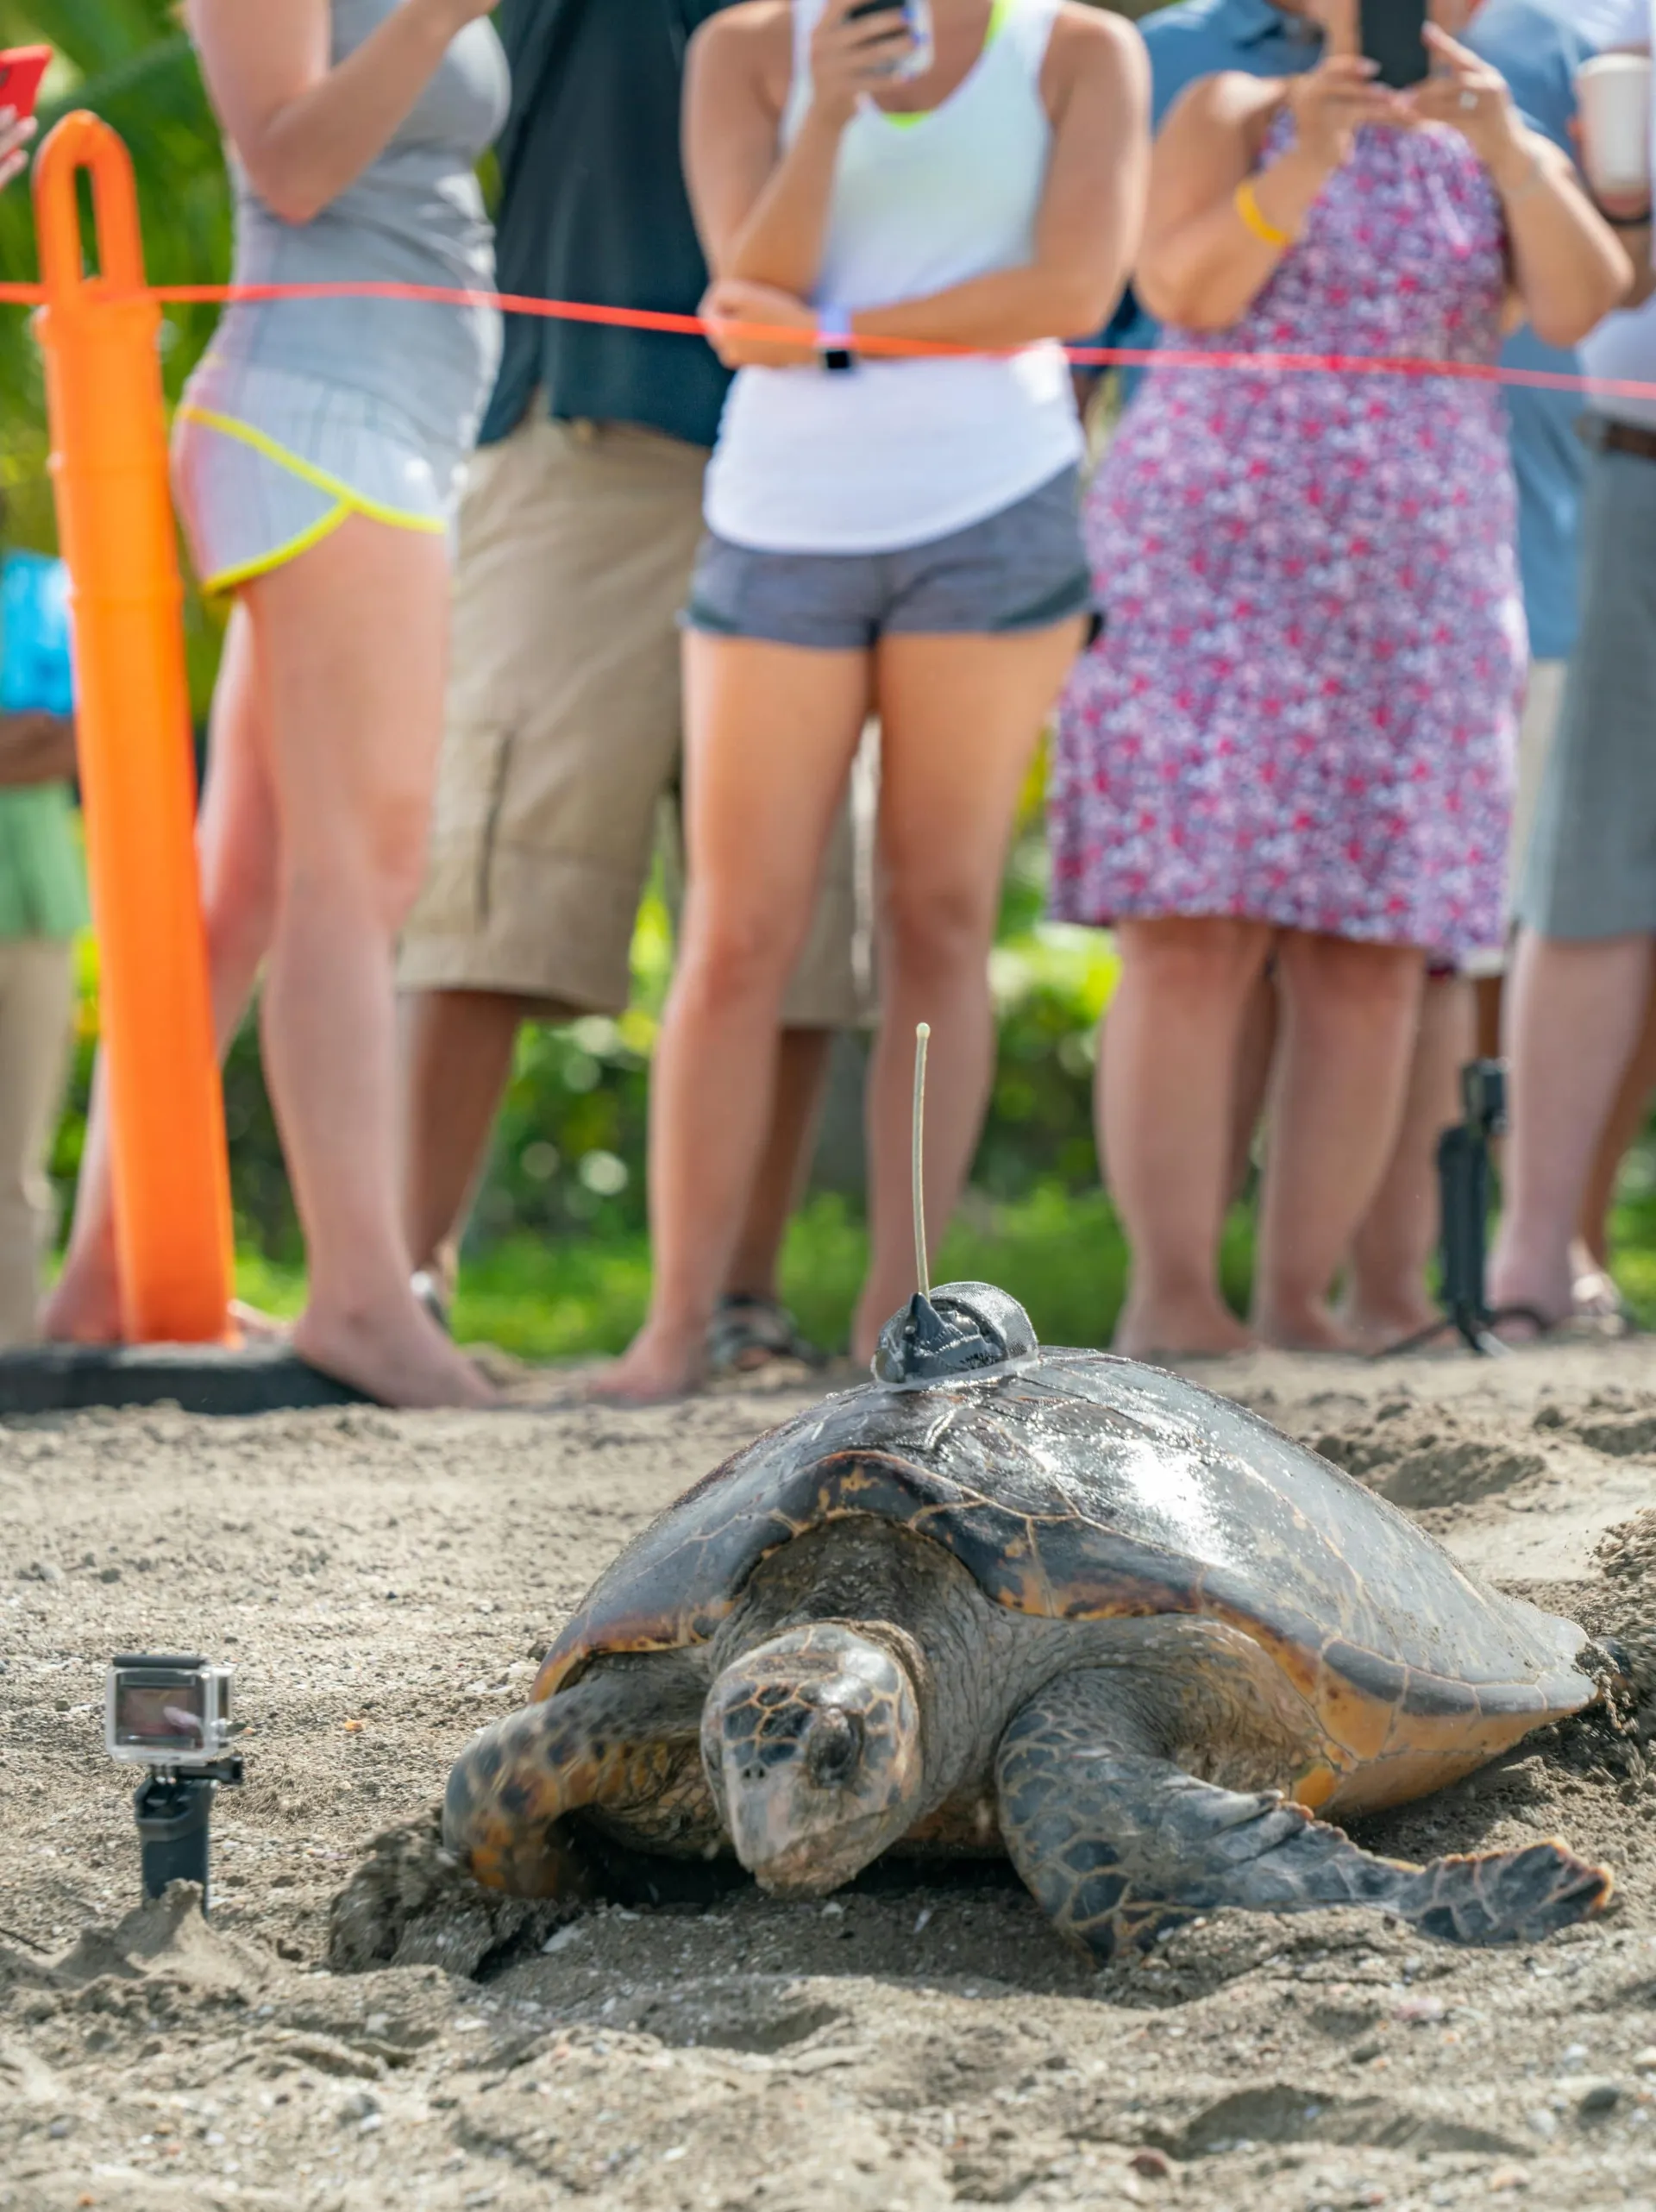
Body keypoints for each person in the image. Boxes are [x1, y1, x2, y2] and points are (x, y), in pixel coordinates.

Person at [1048, 0, 1628, 1359]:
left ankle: (1300, 1301)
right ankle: (1175, 1295)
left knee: (1371, 952)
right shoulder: (1229, 113)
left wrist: (1508, 144)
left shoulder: (1500, 134)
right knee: (1189, 928)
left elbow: (1580, 301)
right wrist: (1306, 153)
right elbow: (1182, 289)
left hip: (1416, 592)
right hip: (1210, 568)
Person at [598, 0, 1149, 1402]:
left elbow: (1072, 292)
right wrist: (827, 111)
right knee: (735, 933)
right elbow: (744, 292)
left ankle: (893, 1337)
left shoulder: (1082, 51)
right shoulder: (744, 52)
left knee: (941, 914)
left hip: (994, 513)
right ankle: (674, 1331)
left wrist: (836, 330)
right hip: (782, 520)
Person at [42, 0, 510, 1406]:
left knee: (239, 887)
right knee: (355, 873)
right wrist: (436, 20)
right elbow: (294, 167)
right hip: (321, 427)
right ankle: (362, 1294)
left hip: (385, 431)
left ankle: (104, 1275)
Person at [396, 0, 871, 1379]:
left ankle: (737, 1304)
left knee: (805, 898)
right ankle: (404, 1280)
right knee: (500, 868)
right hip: (588, 437)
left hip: (820, 455)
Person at [1488, 3, 1656, 1339]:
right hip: (1632, 461)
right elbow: (1616, 271)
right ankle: (1536, 1256)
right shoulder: (1599, 31)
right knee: (1595, 867)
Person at [0, 527, 85, 1345]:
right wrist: (25, 730)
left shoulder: (42, 590)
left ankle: (14, 1351)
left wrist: (44, 734)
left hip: (36, 904)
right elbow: (47, 732)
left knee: (15, 1159)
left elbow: (81, 736)